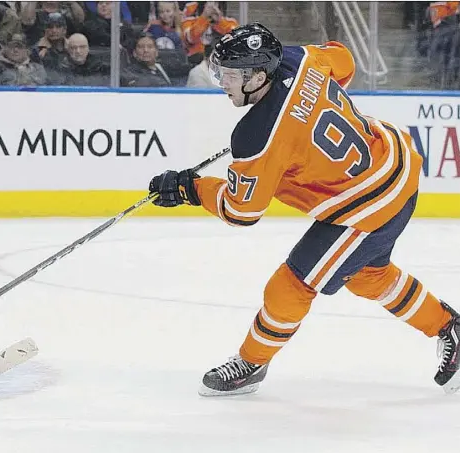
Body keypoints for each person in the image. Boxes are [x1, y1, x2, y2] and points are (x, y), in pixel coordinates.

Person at [147, 23, 460, 396]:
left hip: (366, 205)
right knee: (366, 275)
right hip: (397, 165)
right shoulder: (299, 58)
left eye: (229, 76)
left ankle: (251, 362)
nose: (222, 84)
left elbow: (240, 211)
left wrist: (190, 188)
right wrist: (306, 109)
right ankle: (447, 326)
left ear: (257, 76)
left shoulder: (256, 135)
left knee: (292, 284)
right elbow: (342, 60)